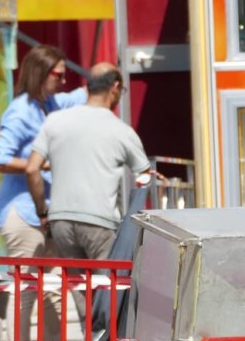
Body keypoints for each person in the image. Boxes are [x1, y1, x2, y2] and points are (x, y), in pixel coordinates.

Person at [25, 63, 151, 319]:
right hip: (100, 221)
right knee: (109, 295)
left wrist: (43, 211)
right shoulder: (121, 131)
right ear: (115, 87)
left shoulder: (55, 121)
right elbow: (144, 177)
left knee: (81, 293)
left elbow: (31, 169)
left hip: (61, 221)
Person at [0, 46, 84, 341]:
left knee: (53, 289)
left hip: (47, 211)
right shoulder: (21, 111)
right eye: (57, 73)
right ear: (40, 74)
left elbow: (89, 93)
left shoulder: (52, 103)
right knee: (27, 289)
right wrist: (39, 165)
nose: (63, 78)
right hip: (23, 212)